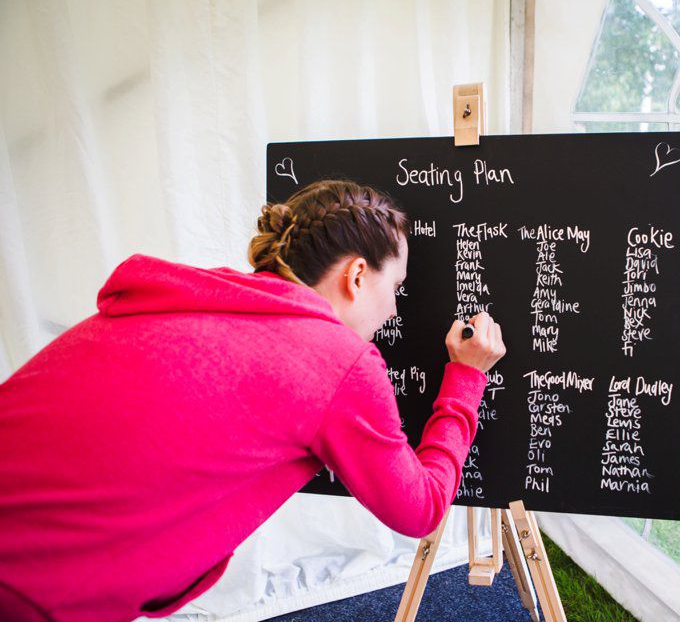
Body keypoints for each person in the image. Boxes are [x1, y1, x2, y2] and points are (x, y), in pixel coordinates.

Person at [0, 179, 506, 622]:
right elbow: (420, 508)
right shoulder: (338, 361)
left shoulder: (191, 295)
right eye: (395, 285)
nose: (395, 308)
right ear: (356, 276)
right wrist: (466, 376)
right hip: (33, 590)